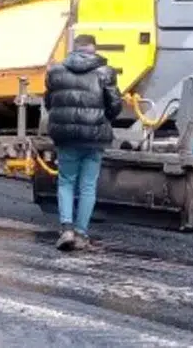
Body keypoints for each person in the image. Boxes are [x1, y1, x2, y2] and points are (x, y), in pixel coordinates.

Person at [43, 33, 122, 251]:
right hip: (94, 137)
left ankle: (66, 228)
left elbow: (49, 102)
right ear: (93, 49)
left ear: (74, 48)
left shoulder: (55, 72)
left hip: (66, 137)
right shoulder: (106, 72)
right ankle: (81, 233)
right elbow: (115, 106)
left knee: (66, 182)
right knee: (88, 186)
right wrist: (102, 118)